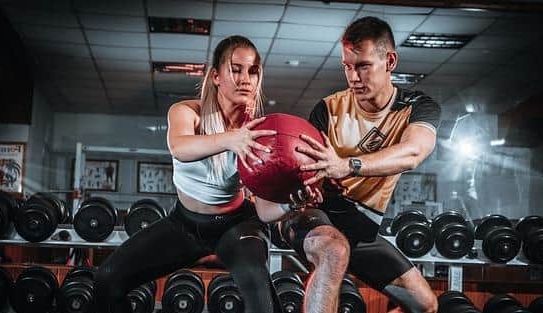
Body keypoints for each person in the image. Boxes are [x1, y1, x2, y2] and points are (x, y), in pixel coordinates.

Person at [94, 35, 318, 313]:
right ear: (215, 76)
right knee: (106, 280)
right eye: (235, 69)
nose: (245, 78)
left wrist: (289, 204)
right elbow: (179, 147)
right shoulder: (188, 112)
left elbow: (263, 212)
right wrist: (231, 139)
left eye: (253, 71)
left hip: (236, 226)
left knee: (261, 301)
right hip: (184, 225)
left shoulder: (259, 132)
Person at [279, 16, 440, 313]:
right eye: (347, 66)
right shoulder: (329, 109)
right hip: (315, 216)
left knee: (425, 305)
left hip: (361, 226)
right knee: (333, 251)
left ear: (390, 61)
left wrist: (347, 166)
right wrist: (318, 182)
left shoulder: (417, 108)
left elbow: (413, 152)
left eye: (363, 65)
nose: (353, 76)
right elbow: (308, 172)